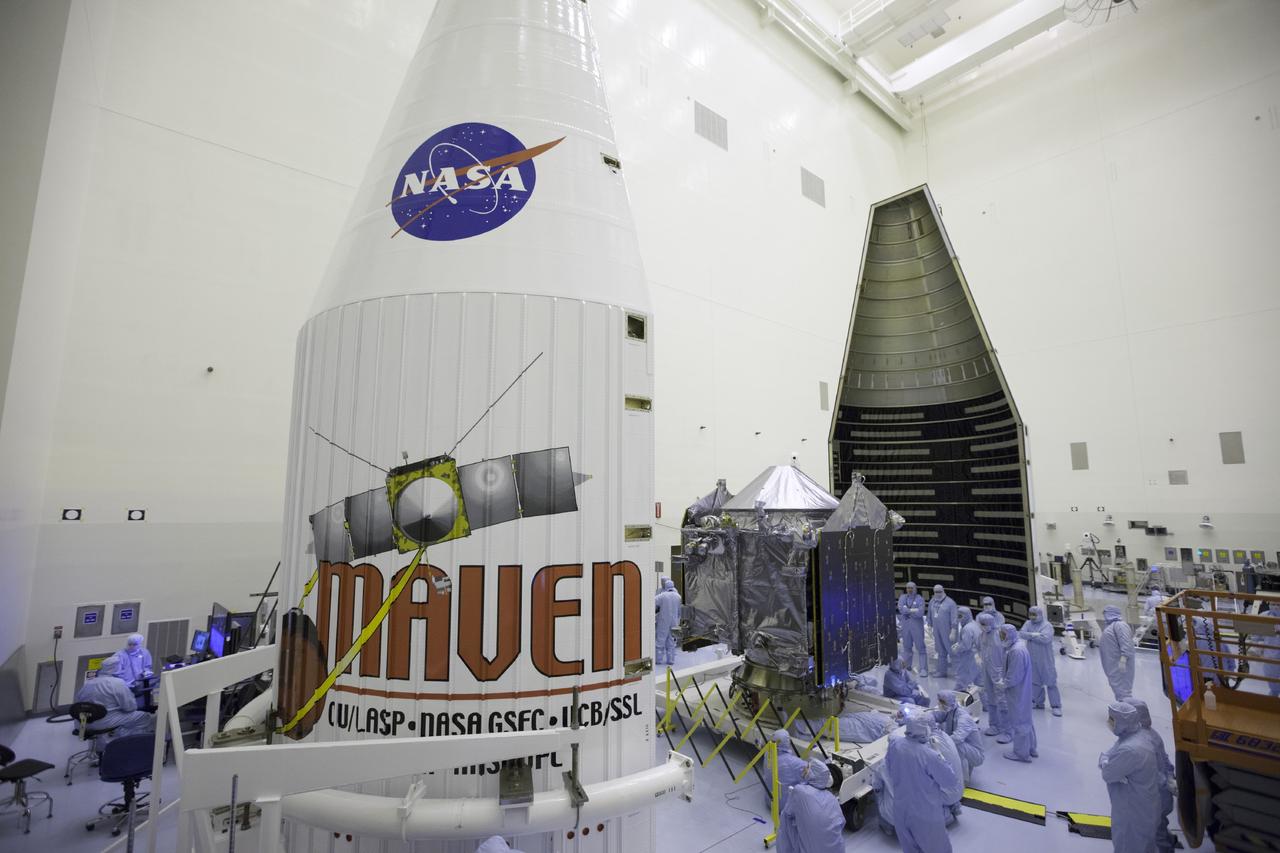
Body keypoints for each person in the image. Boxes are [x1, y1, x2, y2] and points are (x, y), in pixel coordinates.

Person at [886, 715, 960, 853]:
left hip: (901, 810)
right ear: (925, 729)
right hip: (926, 815)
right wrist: (939, 753)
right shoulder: (929, 755)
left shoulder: (895, 745)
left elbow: (890, 769)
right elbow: (950, 781)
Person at [1099, 702, 1162, 853]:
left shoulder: (1130, 749)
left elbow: (1108, 773)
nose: (1109, 723)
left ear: (1122, 722)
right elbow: (1111, 756)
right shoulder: (1137, 735)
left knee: (1128, 846)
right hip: (1145, 807)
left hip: (1132, 813)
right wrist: (1107, 760)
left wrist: (1104, 761)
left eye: (1112, 720)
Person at [1128, 699, 1176, 853]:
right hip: (1161, 795)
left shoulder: (1140, 741)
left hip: (1154, 798)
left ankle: (1166, 849)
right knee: (1160, 825)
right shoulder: (1153, 734)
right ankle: (1169, 842)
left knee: (1157, 834)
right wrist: (1169, 778)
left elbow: (1149, 771)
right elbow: (1165, 760)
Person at [74, 655, 155, 737]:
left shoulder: (89, 683)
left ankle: (104, 742)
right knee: (143, 717)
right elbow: (130, 708)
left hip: (83, 722)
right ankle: (127, 741)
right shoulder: (117, 683)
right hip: (102, 722)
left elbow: (78, 704)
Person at [777, 758, 844, 853]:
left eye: (808, 767)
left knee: (785, 819)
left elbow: (788, 813)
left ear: (814, 774)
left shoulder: (800, 791)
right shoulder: (832, 798)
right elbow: (841, 823)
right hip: (838, 849)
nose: (804, 768)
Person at [998, 623, 1036, 762]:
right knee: (1026, 720)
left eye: (1003, 635)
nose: (1001, 637)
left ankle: (1021, 754)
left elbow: (1015, 675)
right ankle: (1030, 748)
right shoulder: (1016, 646)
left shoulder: (1016, 651)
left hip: (1017, 691)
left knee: (1019, 721)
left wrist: (1003, 684)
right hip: (1022, 690)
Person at [1019, 606, 1062, 716]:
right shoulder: (1028, 623)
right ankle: (1038, 702)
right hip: (1032, 658)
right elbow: (1022, 634)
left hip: (1045, 659)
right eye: (1031, 614)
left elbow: (1045, 639)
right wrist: (1036, 635)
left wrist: (1030, 636)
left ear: (1040, 614)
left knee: (1050, 682)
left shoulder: (1047, 625)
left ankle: (1056, 706)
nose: (1032, 617)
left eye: (1034, 614)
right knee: (1035, 682)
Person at [933, 690, 984, 782]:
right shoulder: (950, 710)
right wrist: (922, 717)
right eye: (939, 701)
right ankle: (954, 770)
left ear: (949, 703)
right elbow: (936, 716)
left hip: (976, 754)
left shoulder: (963, 717)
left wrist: (940, 743)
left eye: (942, 702)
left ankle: (962, 780)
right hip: (965, 748)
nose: (939, 704)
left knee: (957, 745)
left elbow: (957, 738)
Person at [770, 730, 810, 817]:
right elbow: (814, 774)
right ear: (787, 742)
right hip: (784, 806)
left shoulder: (768, 755)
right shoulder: (794, 762)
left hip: (770, 800)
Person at [1100, 605, 1136, 700]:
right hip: (1113, 664)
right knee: (1119, 689)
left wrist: (1124, 659)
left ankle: (1127, 710)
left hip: (1120, 664)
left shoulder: (1120, 625)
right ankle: (1123, 709)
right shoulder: (1111, 626)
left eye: (1106, 613)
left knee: (1123, 689)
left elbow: (1126, 642)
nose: (1104, 615)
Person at [976, 612, 1004, 736]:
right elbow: (979, 649)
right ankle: (994, 725)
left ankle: (1006, 727)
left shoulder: (999, 635)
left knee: (1002, 701)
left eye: (985, 624)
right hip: (986, 671)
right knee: (991, 699)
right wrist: (978, 657)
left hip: (999, 672)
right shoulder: (982, 635)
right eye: (981, 624)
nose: (983, 626)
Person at [928, 585, 958, 678]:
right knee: (940, 652)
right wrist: (929, 626)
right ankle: (941, 672)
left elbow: (954, 618)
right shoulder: (932, 601)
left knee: (952, 652)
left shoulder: (950, 603)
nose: (938, 593)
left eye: (939, 591)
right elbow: (929, 614)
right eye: (936, 592)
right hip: (937, 631)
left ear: (943, 591)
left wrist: (953, 630)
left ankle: (958, 673)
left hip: (948, 631)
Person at [898, 582, 927, 672]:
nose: (909, 590)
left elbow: (920, 613)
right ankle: (907, 667)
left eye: (911, 588)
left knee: (921, 649)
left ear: (915, 588)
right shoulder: (903, 597)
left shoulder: (919, 599)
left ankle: (923, 669)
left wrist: (908, 610)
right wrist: (913, 610)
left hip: (917, 628)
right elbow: (901, 609)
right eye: (908, 588)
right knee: (907, 648)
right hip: (906, 627)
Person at [951, 607, 981, 691]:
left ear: (967, 615)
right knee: (978, 680)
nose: (959, 618)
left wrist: (956, 649)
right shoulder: (974, 624)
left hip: (968, 657)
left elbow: (966, 646)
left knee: (962, 680)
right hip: (977, 657)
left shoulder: (967, 628)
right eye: (958, 616)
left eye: (960, 616)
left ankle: (956, 699)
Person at [654, 578, 681, 667]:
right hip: (674, 622)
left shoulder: (662, 595)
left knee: (660, 640)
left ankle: (659, 660)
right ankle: (671, 660)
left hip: (663, 621)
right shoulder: (678, 596)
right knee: (672, 640)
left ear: (665, 585)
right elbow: (680, 610)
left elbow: (653, 602)